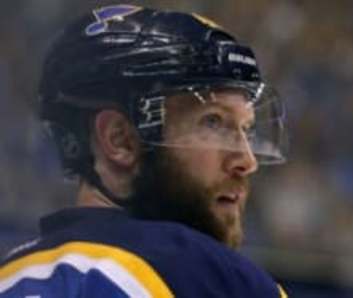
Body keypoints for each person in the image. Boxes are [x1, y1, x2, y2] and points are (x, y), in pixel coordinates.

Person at [0, 4, 289, 298]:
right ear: (120, 139)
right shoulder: (215, 277)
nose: (247, 160)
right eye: (213, 121)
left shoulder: (10, 274)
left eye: (247, 129)